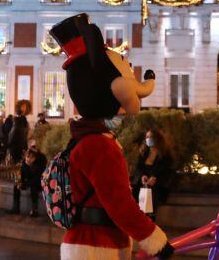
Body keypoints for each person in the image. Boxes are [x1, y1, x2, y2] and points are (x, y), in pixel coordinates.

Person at [47, 13, 175, 259]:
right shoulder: (99, 146)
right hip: (97, 246)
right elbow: (119, 204)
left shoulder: (87, 140)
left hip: (88, 243)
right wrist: (156, 241)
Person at [131, 128, 176, 221]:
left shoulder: (165, 155)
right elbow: (138, 168)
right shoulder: (144, 152)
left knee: (151, 212)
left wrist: (156, 179)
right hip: (141, 186)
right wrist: (142, 176)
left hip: (156, 188)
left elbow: (168, 171)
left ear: (157, 139)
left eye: (151, 137)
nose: (148, 139)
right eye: (147, 137)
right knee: (138, 210)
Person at [10, 147, 46, 216]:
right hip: (29, 182)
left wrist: (26, 184)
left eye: (31, 158)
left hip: (38, 183)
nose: (29, 159)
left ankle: (34, 209)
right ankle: (16, 207)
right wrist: (20, 183)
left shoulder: (39, 166)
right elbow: (22, 176)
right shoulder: (25, 164)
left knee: (33, 188)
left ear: (35, 158)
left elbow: (37, 179)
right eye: (28, 157)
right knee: (16, 186)